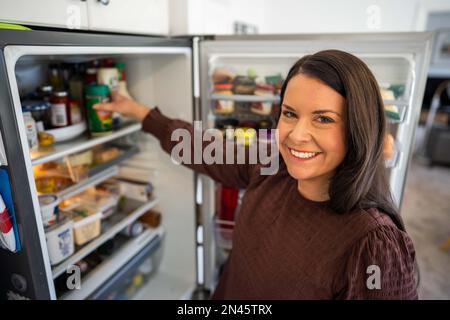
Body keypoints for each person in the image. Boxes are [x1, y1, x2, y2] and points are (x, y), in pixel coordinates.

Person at [94, 49, 418, 299]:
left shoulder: (374, 246)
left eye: (323, 119)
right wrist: (137, 111)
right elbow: (201, 147)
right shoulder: (271, 163)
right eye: (290, 114)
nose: (296, 135)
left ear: (360, 128)